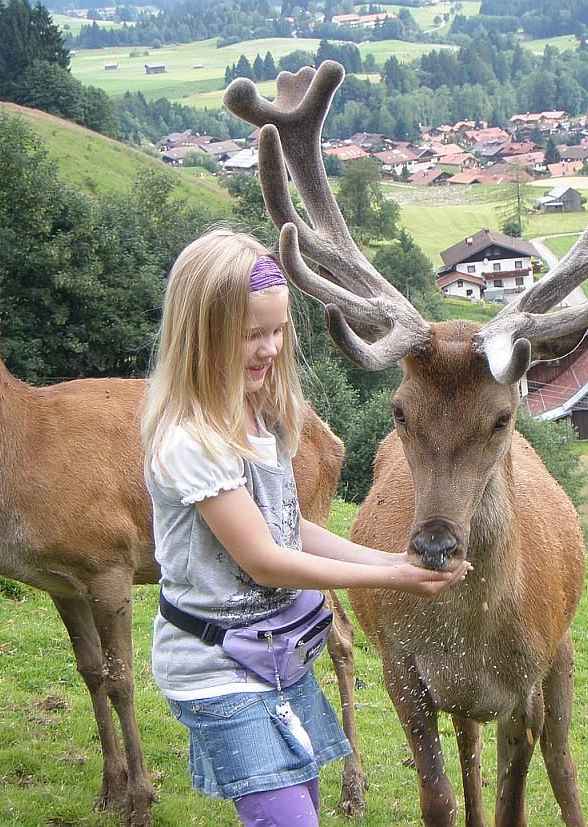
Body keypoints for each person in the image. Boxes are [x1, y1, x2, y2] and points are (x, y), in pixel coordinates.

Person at [140, 229, 470, 826]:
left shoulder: (260, 413)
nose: (268, 349)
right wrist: (393, 578)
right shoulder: (192, 440)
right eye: (249, 335)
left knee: (303, 811)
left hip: (278, 657)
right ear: (200, 335)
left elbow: (290, 529)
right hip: (219, 670)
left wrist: (389, 559)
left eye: (277, 330)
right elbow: (265, 559)